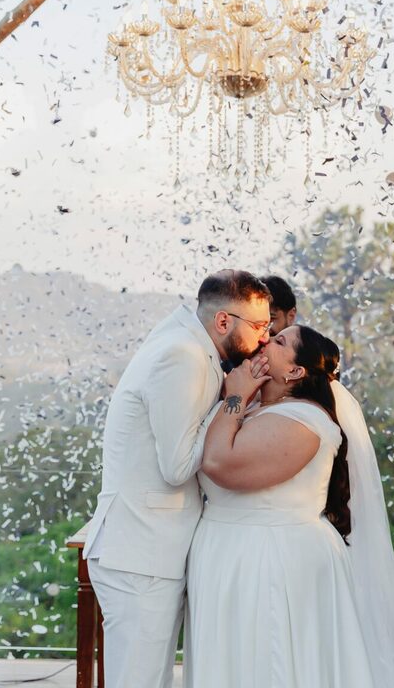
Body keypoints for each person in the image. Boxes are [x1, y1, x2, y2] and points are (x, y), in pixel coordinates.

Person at [185, 325, 394, 688]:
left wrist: (234, 396)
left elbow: (219, 463)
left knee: (270, 664)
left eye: (279, 341)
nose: (265, 340)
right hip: (230, 554)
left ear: (295, 371)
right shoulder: (258, 409)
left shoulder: (303, 420)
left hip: (271, 559)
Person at [83, 270, 272, 688]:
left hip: (149, 551)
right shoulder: (181, 355)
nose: (264, 338)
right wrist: (233, 401)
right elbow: (177, 466)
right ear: (223, 321)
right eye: (259, 326)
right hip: (141, 554)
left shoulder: (186, 343)